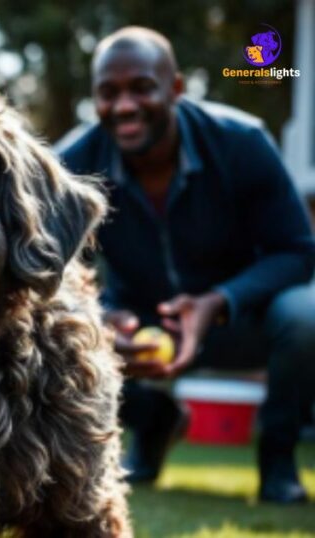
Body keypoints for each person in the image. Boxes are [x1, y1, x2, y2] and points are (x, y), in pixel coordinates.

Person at [57, 26, 315, 504]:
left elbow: (299, 251)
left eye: (142, 88)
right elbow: (50, 270)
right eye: (108, 93)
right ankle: (151, 426)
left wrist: (218, 302)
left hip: (240, 319)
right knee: (59, 327)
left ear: (175, 88)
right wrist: (101, 319)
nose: (125, 106)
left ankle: (278, 463)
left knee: (305, 316)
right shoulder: (72, 164)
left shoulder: (242, 142)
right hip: (136, 329)